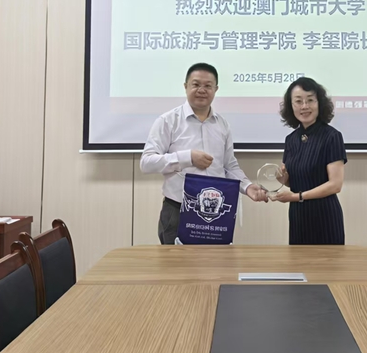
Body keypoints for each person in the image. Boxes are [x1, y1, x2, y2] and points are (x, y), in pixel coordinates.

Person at [140, 63, 268, 244]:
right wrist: (187, 158)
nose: (202, 90)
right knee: (174, 263)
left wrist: (247, 187)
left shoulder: (222, 124)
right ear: (185, 86)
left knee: (215, 262)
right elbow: (146, 162)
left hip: (215, 212)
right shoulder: (168, 121)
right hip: (178, 210)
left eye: (208, 85)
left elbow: (229, 166)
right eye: (196, 84)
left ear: (216, 89)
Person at [271, 77, 346, 245]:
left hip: (325, 216)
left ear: (320, 103)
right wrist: (283, 179)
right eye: (298, 101)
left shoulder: (332, 136)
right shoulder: (291, 139)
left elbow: (335, 185)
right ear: (291, 106)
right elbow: (295, 180)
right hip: (298, 216)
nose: (304, 106)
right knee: (298, 261)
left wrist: (296, 196)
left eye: (310, 100)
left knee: (328, 262)